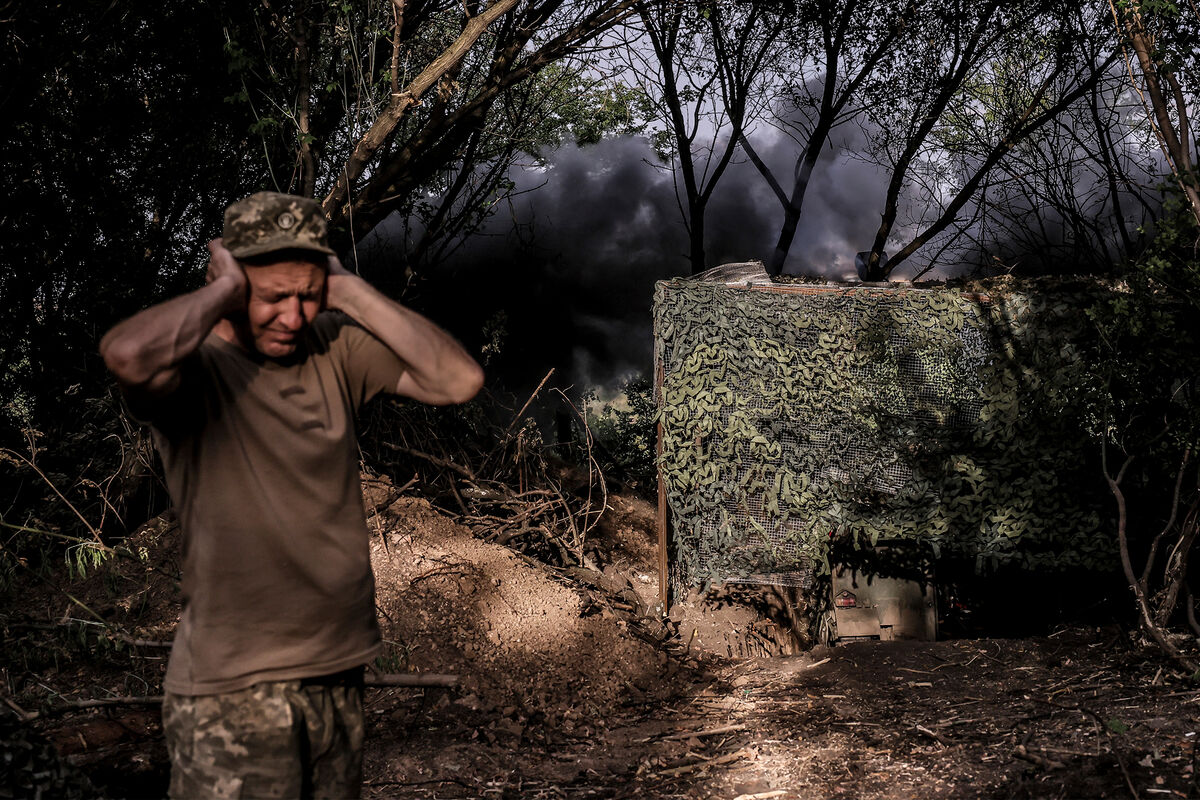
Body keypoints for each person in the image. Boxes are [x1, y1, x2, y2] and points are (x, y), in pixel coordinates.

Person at [100, 191, 484, 799]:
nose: (293, 316)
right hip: (234, 689)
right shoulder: (193, 372)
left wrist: (348, 291)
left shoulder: (332, 346)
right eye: (272, 296)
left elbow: (459, 380)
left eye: (308, 295)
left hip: (338, 670)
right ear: (227, 280)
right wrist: (224, 292)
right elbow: (127, 355)